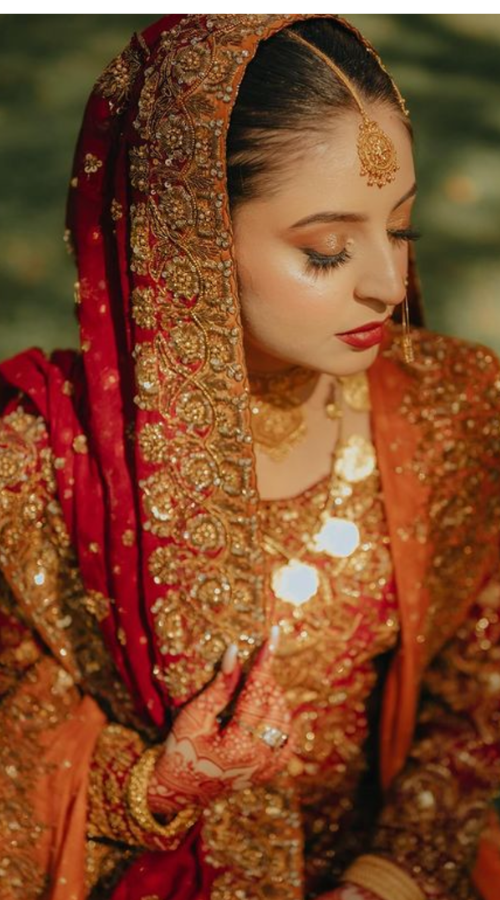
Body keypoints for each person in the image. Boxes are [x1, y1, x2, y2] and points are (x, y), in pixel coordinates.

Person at [0, 13, 499, 900]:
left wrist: (388, 878)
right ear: (184, 232)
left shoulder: (449, 405)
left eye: (405, 231)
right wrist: (149, 787)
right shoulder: (44, 460)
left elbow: (480, 700)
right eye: (327, 250)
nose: (387, 283)